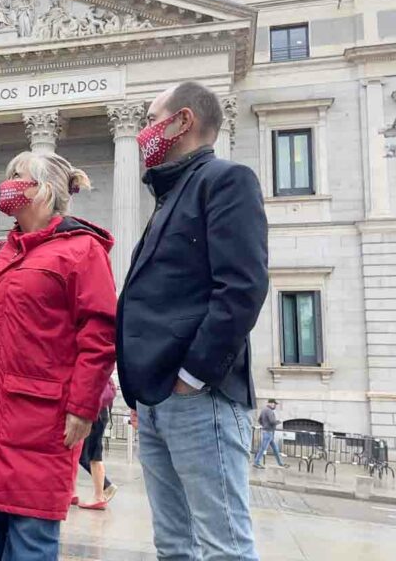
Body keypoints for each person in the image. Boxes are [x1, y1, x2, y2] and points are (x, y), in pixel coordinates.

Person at [116, 81, 269, 560]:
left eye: (151, 118)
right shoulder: (170, 194)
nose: (143, 130)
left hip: (199, 397)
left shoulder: (226, 179)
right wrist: (143, 388)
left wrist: (191, 377)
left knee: (223, 547)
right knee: (174, 545)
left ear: (182, 121)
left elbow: (242, 288)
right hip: (157, 398)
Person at [0, 151, 117, 561]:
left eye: (17, 177)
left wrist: (83, 406)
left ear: (44, 191)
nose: (7, 183)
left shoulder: (81, 251)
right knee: (1, 532)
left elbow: (99, 334)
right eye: (6, 174)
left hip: (45, 419)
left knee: (31, 537)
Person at [75, 378, 118, 510]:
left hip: (94, 412)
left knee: (89, 455)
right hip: (101, 411)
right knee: (91, 453)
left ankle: (102, 492)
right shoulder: (104, 373)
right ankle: (100, 491)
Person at [254, 399, 286, 469]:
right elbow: (272, 422)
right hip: (268, 432)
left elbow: (259, 420)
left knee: (275, 449)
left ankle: (280, 463)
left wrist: (264, 425)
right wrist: (279, 421)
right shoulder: (269, 411)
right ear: (270, 403)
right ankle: (256, 462)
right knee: (263, 448)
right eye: (274, 404)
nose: (275, 406)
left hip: (268, 432)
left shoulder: (263, 410)